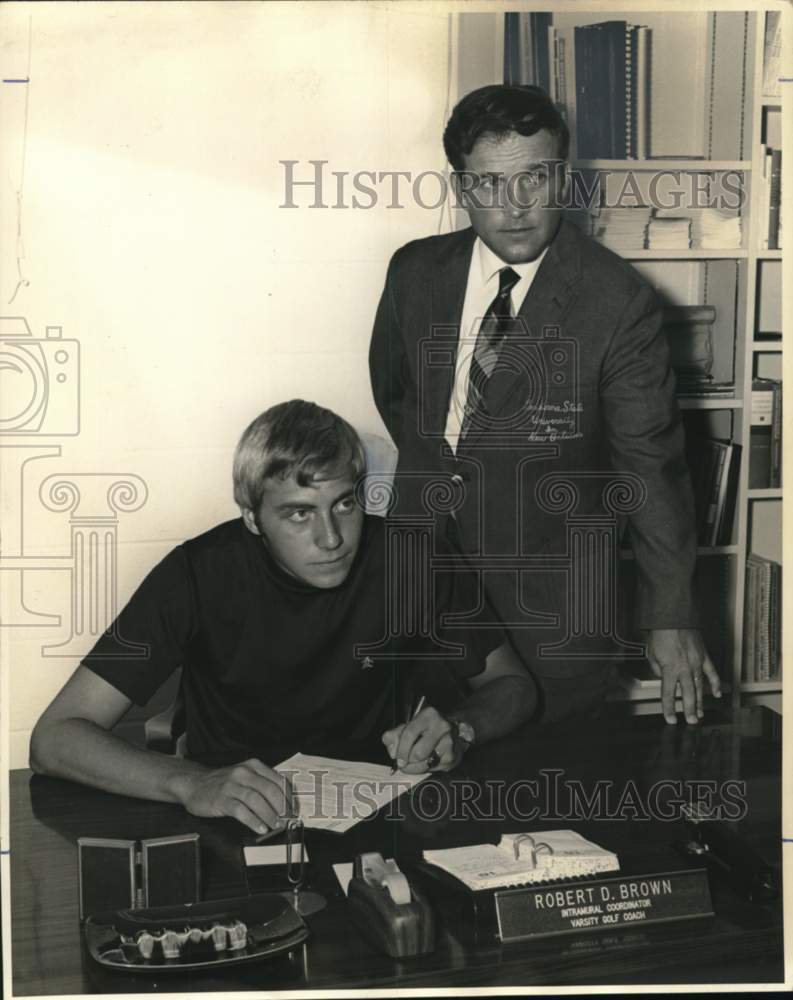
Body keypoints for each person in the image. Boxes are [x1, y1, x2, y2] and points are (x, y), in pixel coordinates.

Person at [369, 84, 721, 726]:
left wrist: (671, 616)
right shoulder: (413, 273)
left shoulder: (618, 301)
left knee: (549, 805)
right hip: (421, 585)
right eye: (489, 184)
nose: (516, 207)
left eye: (535, 177)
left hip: (553, 615)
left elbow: (651, 470)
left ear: (564, 178)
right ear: (460, 188)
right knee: (414, 791)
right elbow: (397, 396)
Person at [30, 400, 536, 836]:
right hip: (232, 816)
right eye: (299, 513)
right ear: (252, 516)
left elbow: (514, 685)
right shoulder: (197, 573)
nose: (331, 537)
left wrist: (461, 727)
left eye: (344, 504)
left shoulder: (414, 557)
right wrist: (189, 782)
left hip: (374, 814)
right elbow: (54, 737)